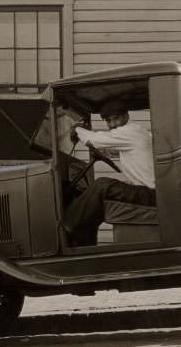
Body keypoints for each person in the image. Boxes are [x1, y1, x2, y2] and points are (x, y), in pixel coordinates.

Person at [62, 100, 156, 245]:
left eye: (116, 118)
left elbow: (94, 139)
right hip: (150, 192)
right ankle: (84, 236)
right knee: (102, 193)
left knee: (102, 185)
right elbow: (110, 150)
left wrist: (78, 129)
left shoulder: (131, 132)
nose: (112, 125)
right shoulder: (133, 134)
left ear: (126, 115)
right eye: (108, 121)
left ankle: (66, 228)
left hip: (151, 194)